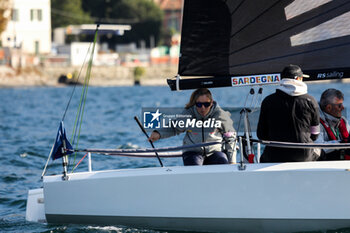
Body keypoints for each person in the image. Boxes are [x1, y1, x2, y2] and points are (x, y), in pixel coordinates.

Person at [148, 88, 237, 166]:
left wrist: (232, 161)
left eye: (206, 104)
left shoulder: (220, 115)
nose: (203, 108)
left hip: (215, 152)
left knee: (222, 162)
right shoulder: (188, 114)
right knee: (195, 166)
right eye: (199, 105)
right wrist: (158, 133)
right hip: (193, 153)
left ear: (211, 103)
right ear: (195, 104)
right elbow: (174, 127)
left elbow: (230, 137)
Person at [257, 64, 320, 162]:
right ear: (299, 79)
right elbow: (315, 134)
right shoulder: (311, 101)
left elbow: (261, 134)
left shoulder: (268, 101)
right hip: (303, 155)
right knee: (322, 154)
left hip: (274, 155)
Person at [316, 89, 350, 160]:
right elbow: (318, 147)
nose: (343, 108)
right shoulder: (316, 123)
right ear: (329, 108)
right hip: (326, 164)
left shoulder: (343, 121)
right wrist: (340, 143)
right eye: (340, 105)